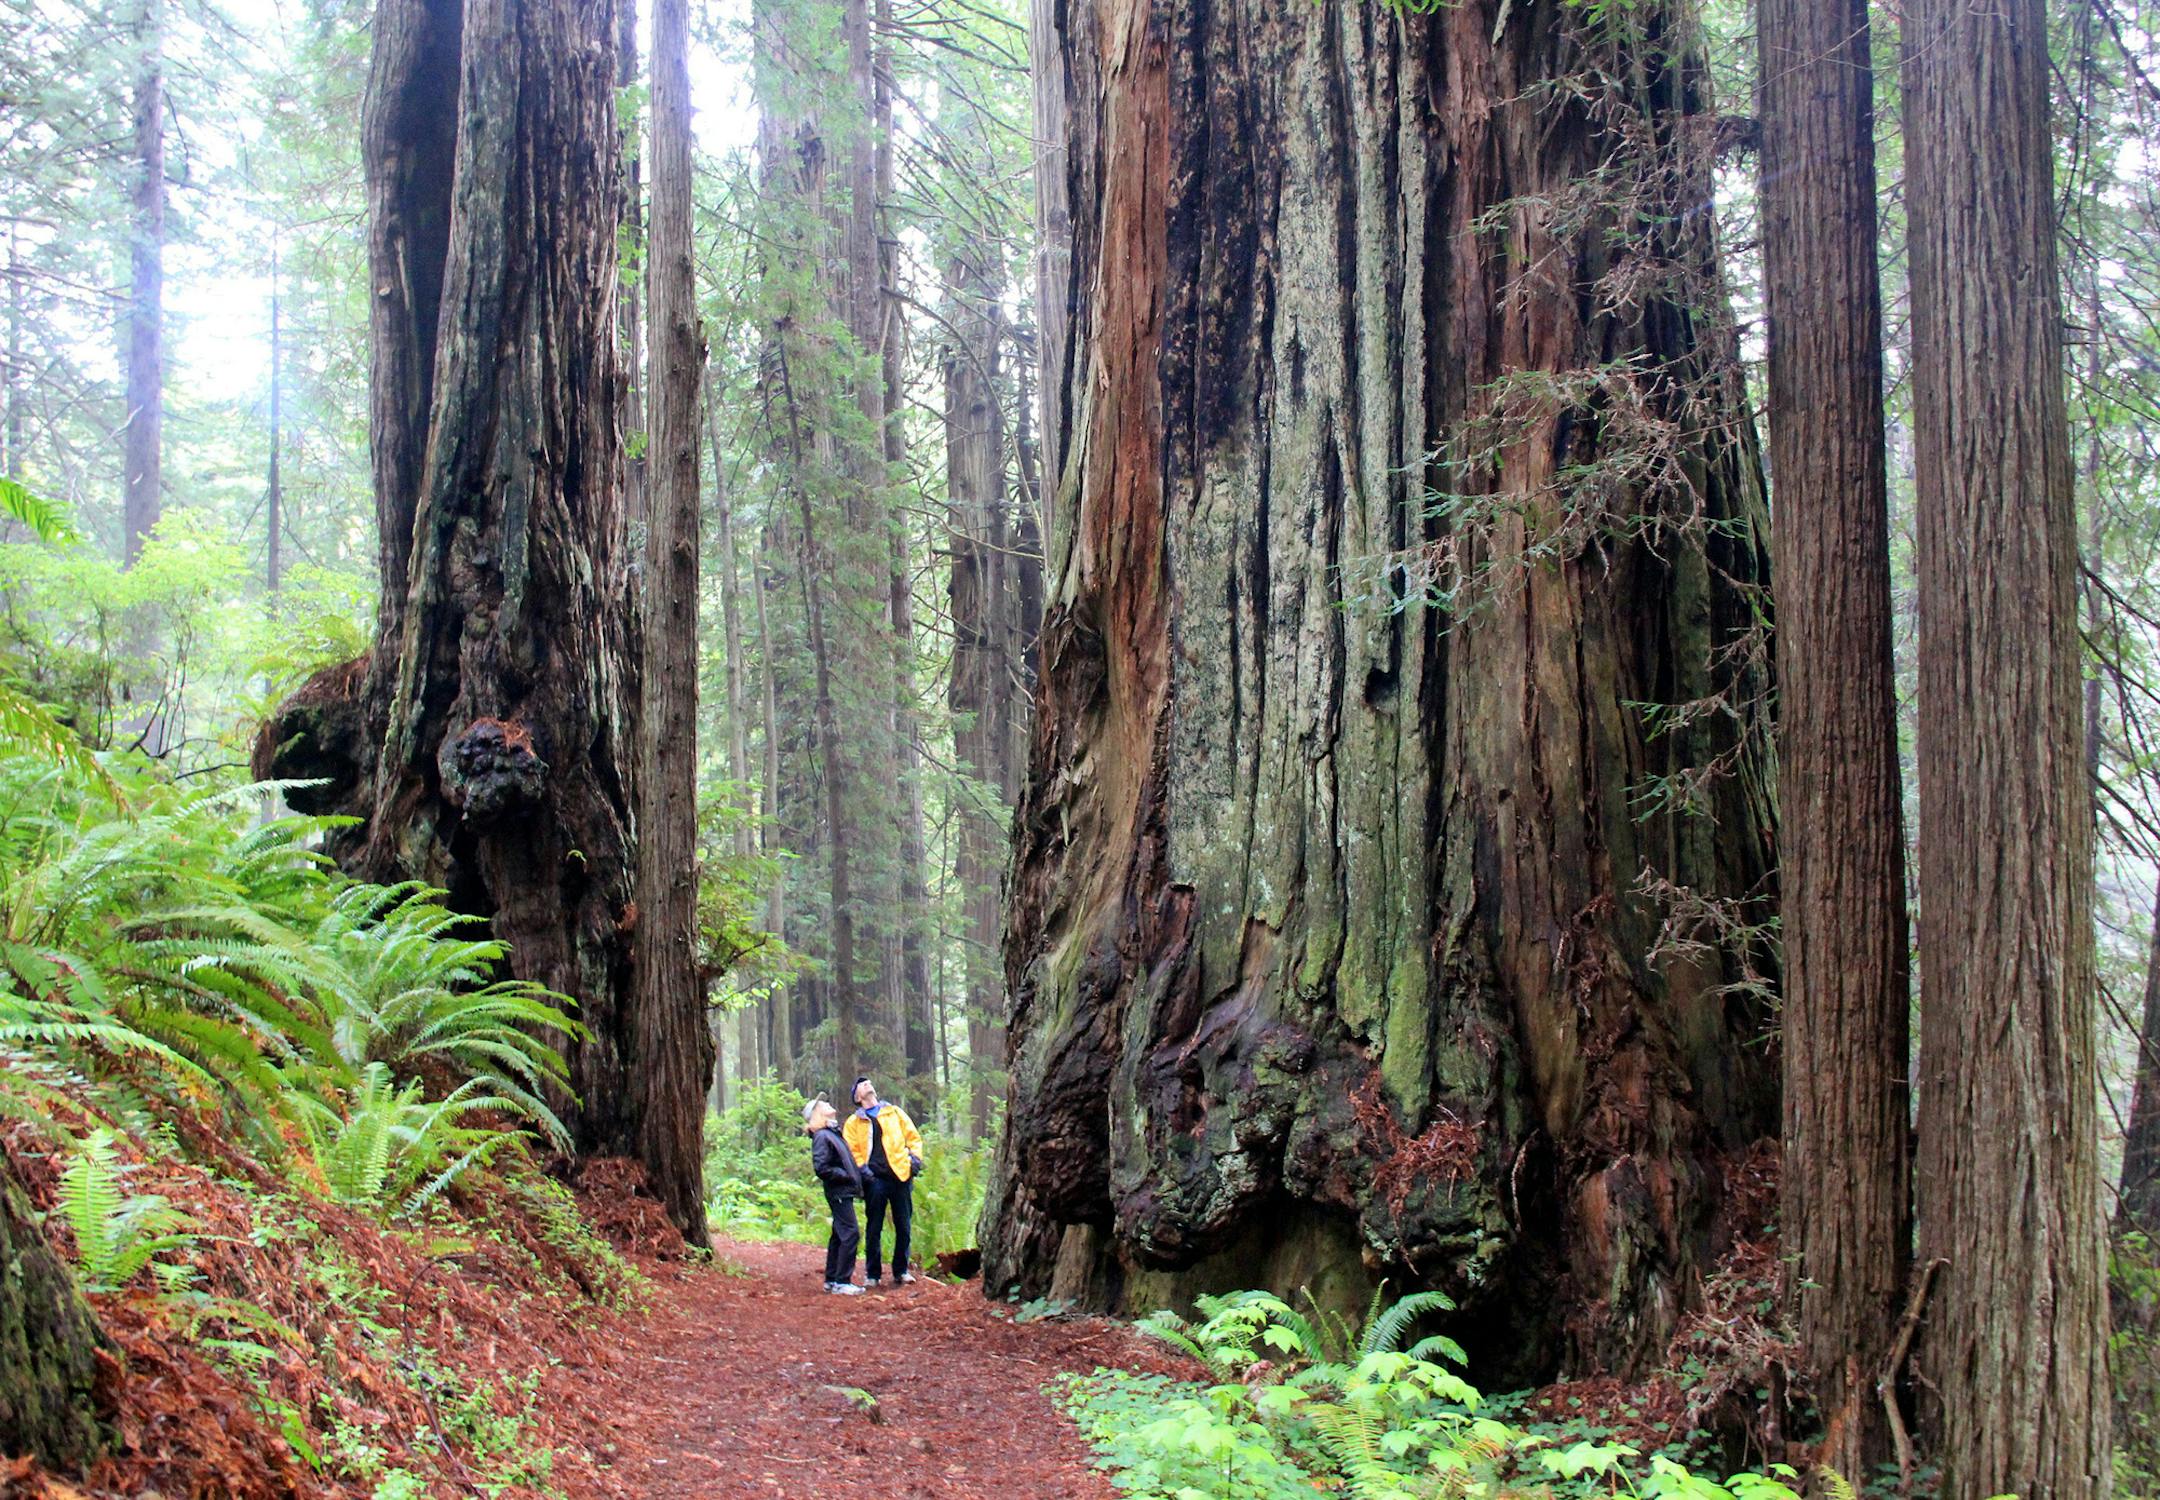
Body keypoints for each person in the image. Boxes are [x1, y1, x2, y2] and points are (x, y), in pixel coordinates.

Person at [842, 1076, 923, 1287]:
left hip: (900, 1176)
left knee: (904, 1225)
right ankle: (873, 1274)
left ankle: (901, 1270)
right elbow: (852, 1150)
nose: (868, 1083)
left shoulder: (894, 1112)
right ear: (858, 1097)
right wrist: (864, 1171)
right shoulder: (854, 1122)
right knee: (874, 1227)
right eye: (862, 1084)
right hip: (875, 1180)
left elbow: (913, 1137)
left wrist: (915, 1160)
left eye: (869, 1082)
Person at [804, 1098, 865, 1295]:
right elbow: (821, 1167)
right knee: (850, 1232)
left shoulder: (831, 1133)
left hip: (842, 1190)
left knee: (840, 1234)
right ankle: (842, 1282)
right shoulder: (822, 1136)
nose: (830, 1104)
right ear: (818, 1114)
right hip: (838, 1191)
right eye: (824, 1105)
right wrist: (845, 1176)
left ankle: (832, 1279)